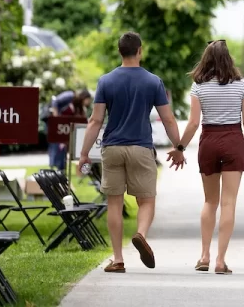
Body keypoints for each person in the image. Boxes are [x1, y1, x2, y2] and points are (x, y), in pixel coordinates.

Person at [79, 32, 185, 273]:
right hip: (141, 147)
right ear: (140, 51)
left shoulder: (105, 81)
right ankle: (140, 234)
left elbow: (95, 120)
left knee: (114, 203)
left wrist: (84, 153)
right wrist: (178, 147)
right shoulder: (153, 81)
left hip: (112, 148)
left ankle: (117, 260)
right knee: (146, 200)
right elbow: (168, 118)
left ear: (120, 52)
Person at [167, 39, 244, 275]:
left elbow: (194, 123)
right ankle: (220, 260)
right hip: (234, 140)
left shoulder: (198, 87)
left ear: (206, 59)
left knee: (209, 201)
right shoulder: (242, 85)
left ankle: (204, 256)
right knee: (228, 203)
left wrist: (180, 147)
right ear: (229, 59)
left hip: (209, 141)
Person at [47, 89, 76, 170]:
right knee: (55, 143)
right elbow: (55, 101)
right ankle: (54, 166)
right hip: (55, 122)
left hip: (61, 124)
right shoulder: (70, 95)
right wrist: (56, 119)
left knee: (62, 144)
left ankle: (60, 166)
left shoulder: (73, 101)